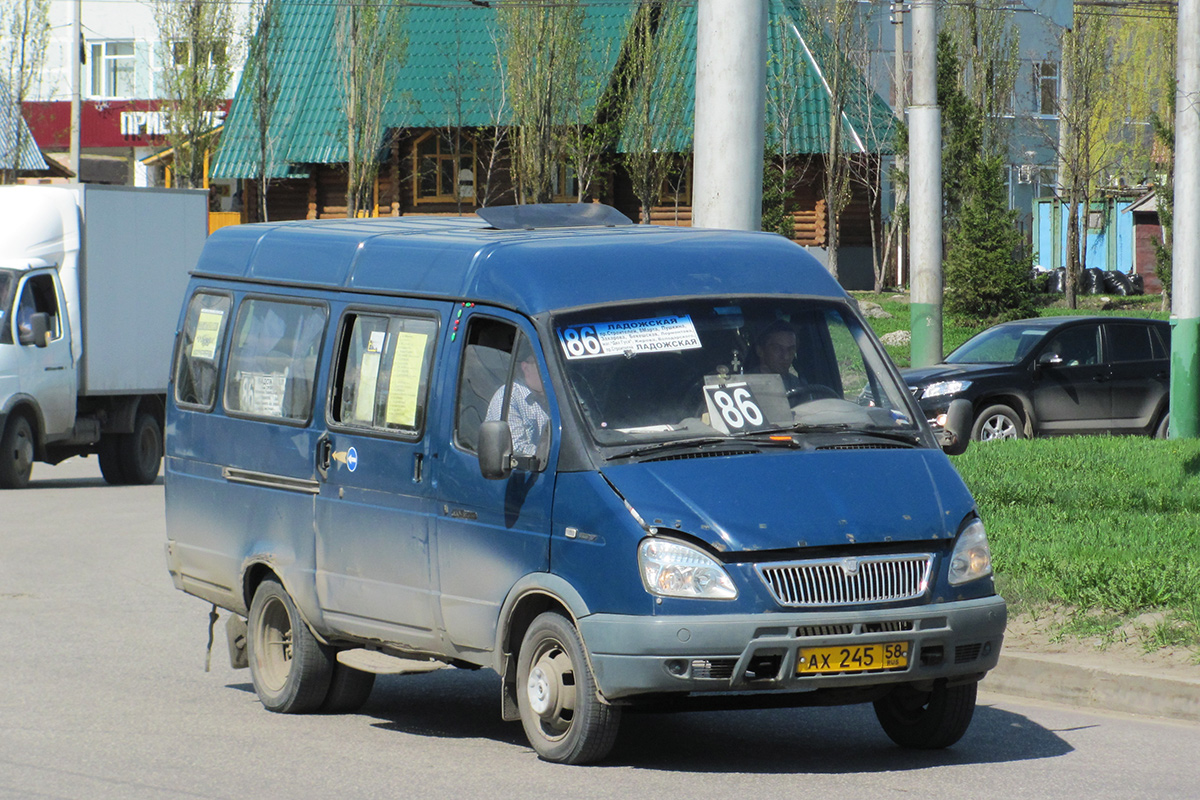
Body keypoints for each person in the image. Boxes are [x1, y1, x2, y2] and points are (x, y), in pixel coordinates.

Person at [486, 354, 549, 458]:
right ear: (525, 368)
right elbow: (514, 449)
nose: (550, 373)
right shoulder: (508, 398)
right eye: (544, 366)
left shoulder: (557, 396)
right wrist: (553, 452)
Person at [750, 320, 804, 394]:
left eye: (791, 349)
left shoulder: (798, 385)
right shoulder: (746, 385)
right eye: (777, 349)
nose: (786, 356)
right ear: (760, 351)